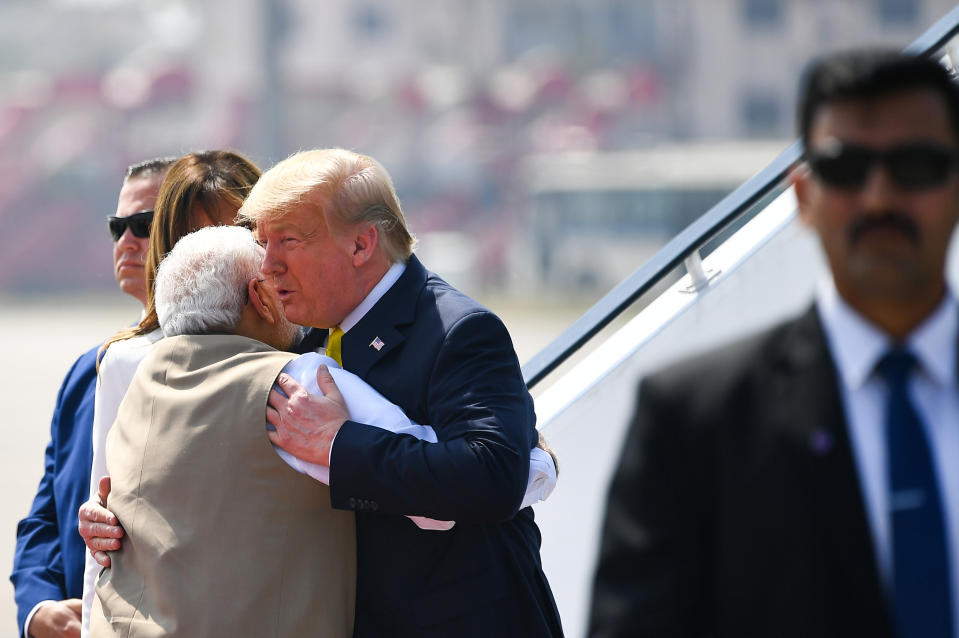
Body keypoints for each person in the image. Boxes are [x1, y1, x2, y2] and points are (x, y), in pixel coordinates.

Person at [78, 151, 562, 637]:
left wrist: (339, 443)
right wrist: (117, 517)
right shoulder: (301, 335)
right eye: (262, 243)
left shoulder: (458, 329)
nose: (268, 266)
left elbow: (494, 478)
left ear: (360, 244)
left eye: (287, 241)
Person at [588, 49, 959, 638]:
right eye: (845, 168)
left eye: (914, 165)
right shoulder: (695, 422)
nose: (880, 198)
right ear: (803, 196)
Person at [78, 150, 262, 637]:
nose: (212, 258)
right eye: (192, 241)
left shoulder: (317, 357)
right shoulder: (126, 362)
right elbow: (102, 543)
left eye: (234, 237)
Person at [10, 157, 174, 638]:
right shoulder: (90, 370)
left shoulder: (245, 368)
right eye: (117, 227)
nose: (126, 241)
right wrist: (37, 608)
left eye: (144, 225)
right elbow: (43, 516)